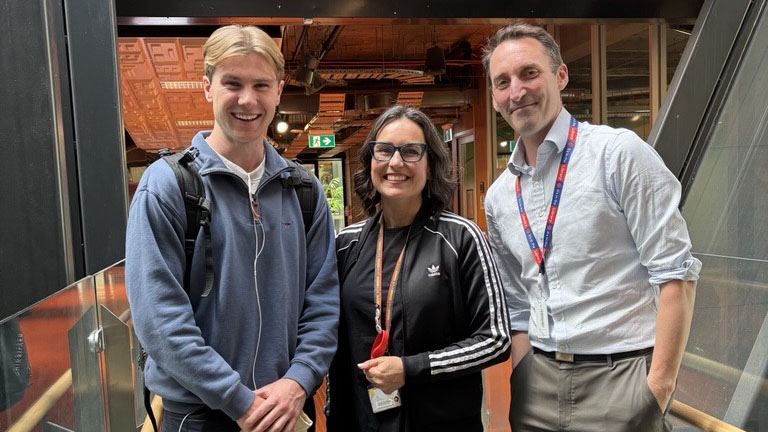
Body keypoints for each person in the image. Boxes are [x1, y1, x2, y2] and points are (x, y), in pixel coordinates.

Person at [482, 23, 701, 432]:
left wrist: (657, 387)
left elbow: (677, 273)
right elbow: (517, 302)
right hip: (537, 383)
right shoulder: (498, 197)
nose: (517, 91)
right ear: (494, 97)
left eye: (529, 73)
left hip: (622, 375)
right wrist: (523, 372)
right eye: (502, 82)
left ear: (560, 75)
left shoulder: (617, 154)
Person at [125, 25, 339, 432]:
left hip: (286, 408)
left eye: (261, 85)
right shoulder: (167, 187)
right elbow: (161, 321)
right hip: (200, 415)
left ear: (278, 90)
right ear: (207, 87)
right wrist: (238, 401)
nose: (248, 100)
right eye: (233, 83)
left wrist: (299, 380)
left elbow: (323, 301)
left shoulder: (304, 190)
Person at [327, 105, 511, 432]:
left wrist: (412, 368)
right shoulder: (346, 243)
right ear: (370, 161)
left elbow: (495, 339)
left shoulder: (461, 238)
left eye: (411, 151)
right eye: (384, 151)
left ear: (431, 164)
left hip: (441, 422)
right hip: (364, 420)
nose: (395, 163)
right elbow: (333, 341)